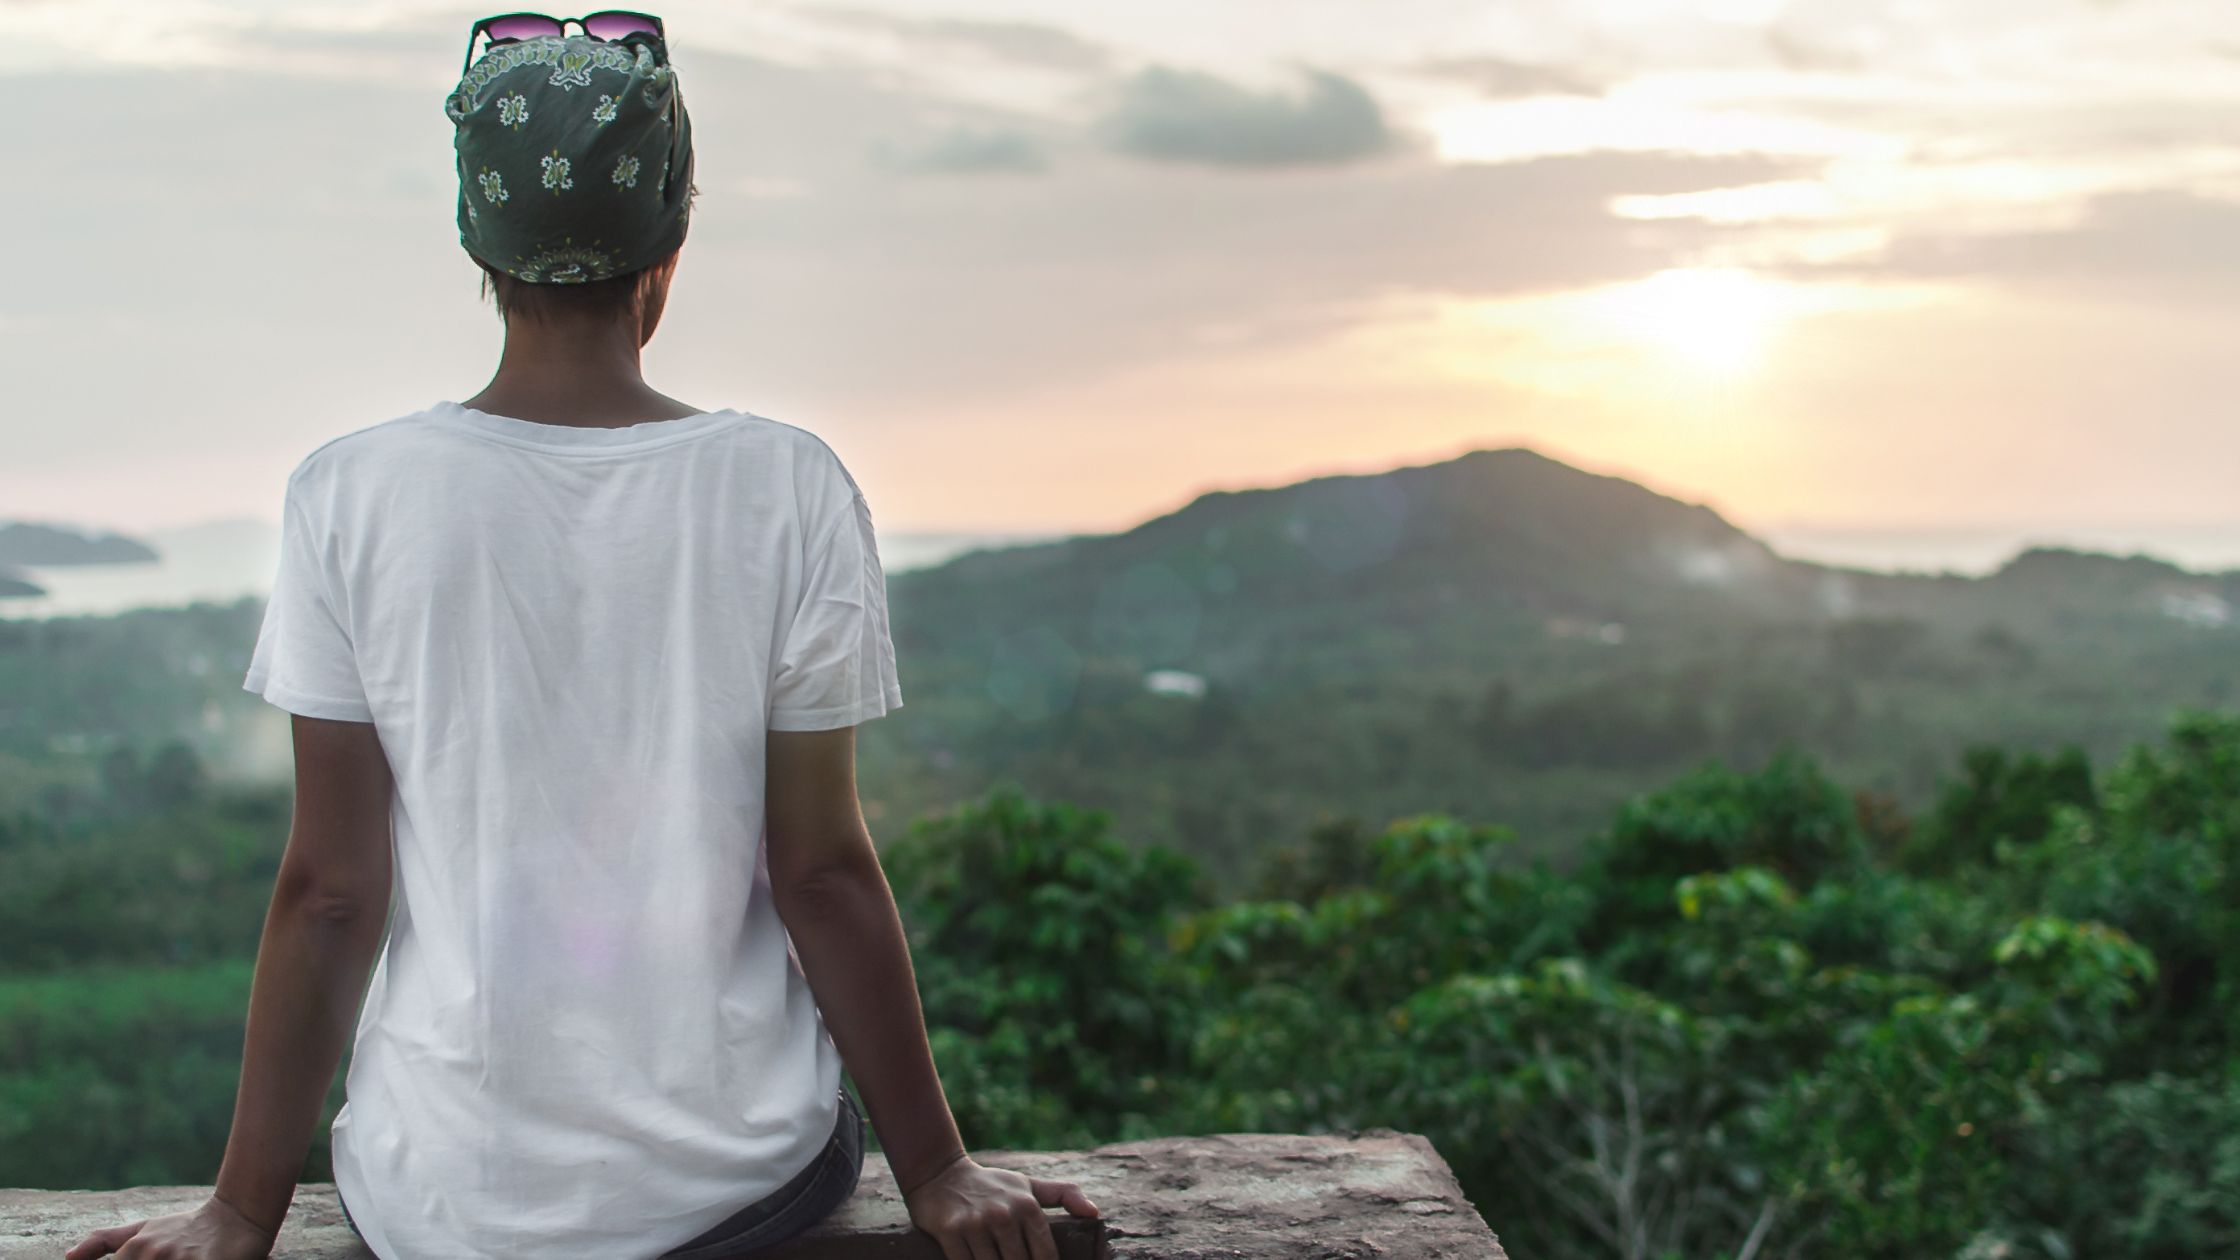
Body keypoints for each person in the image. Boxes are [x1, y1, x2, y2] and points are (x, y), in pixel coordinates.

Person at [64, 13, 1099, 1260]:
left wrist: (238, 1210)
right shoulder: (785, 484)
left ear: (476, 248)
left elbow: (332, 891)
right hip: (736, 1178)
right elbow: (818, 871)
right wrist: (936, 1169)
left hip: (442, 1191)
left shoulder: (348, 492)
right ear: (666, 249)